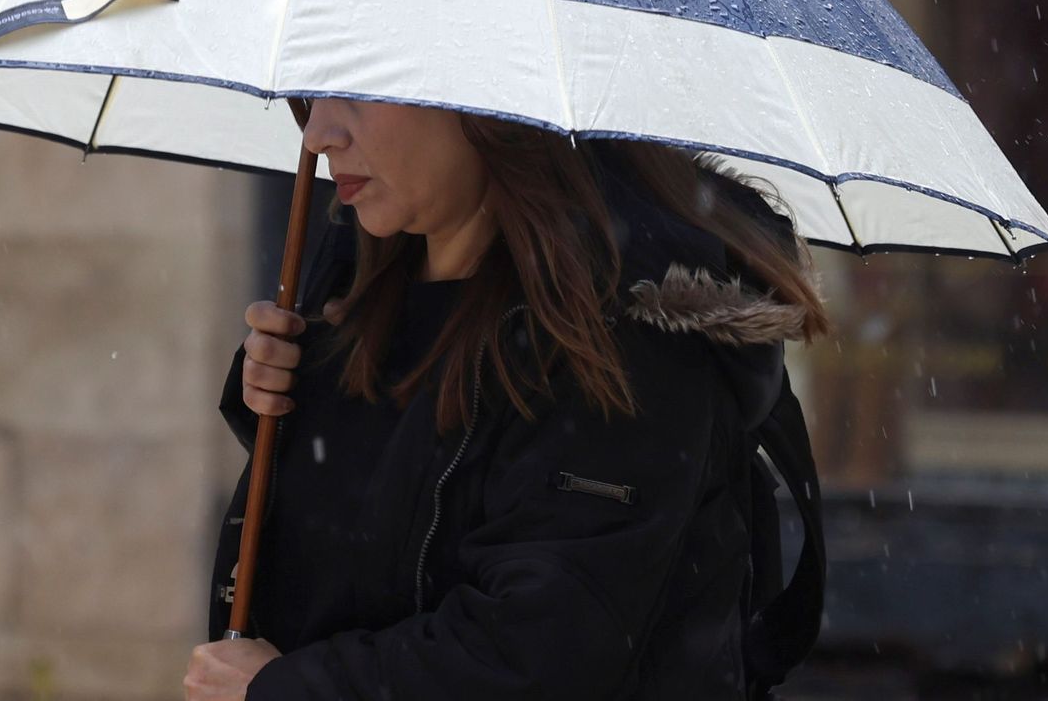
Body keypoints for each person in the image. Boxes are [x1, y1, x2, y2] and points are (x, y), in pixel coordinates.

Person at [185, 97, 829, 700]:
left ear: (485, 103)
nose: (317, 132)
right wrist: (293, 401)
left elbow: (537, 650)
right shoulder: (361, 283)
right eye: (309, 92)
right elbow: (354, 571)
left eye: (357, 88)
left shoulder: (618, 338)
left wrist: (285, 689)